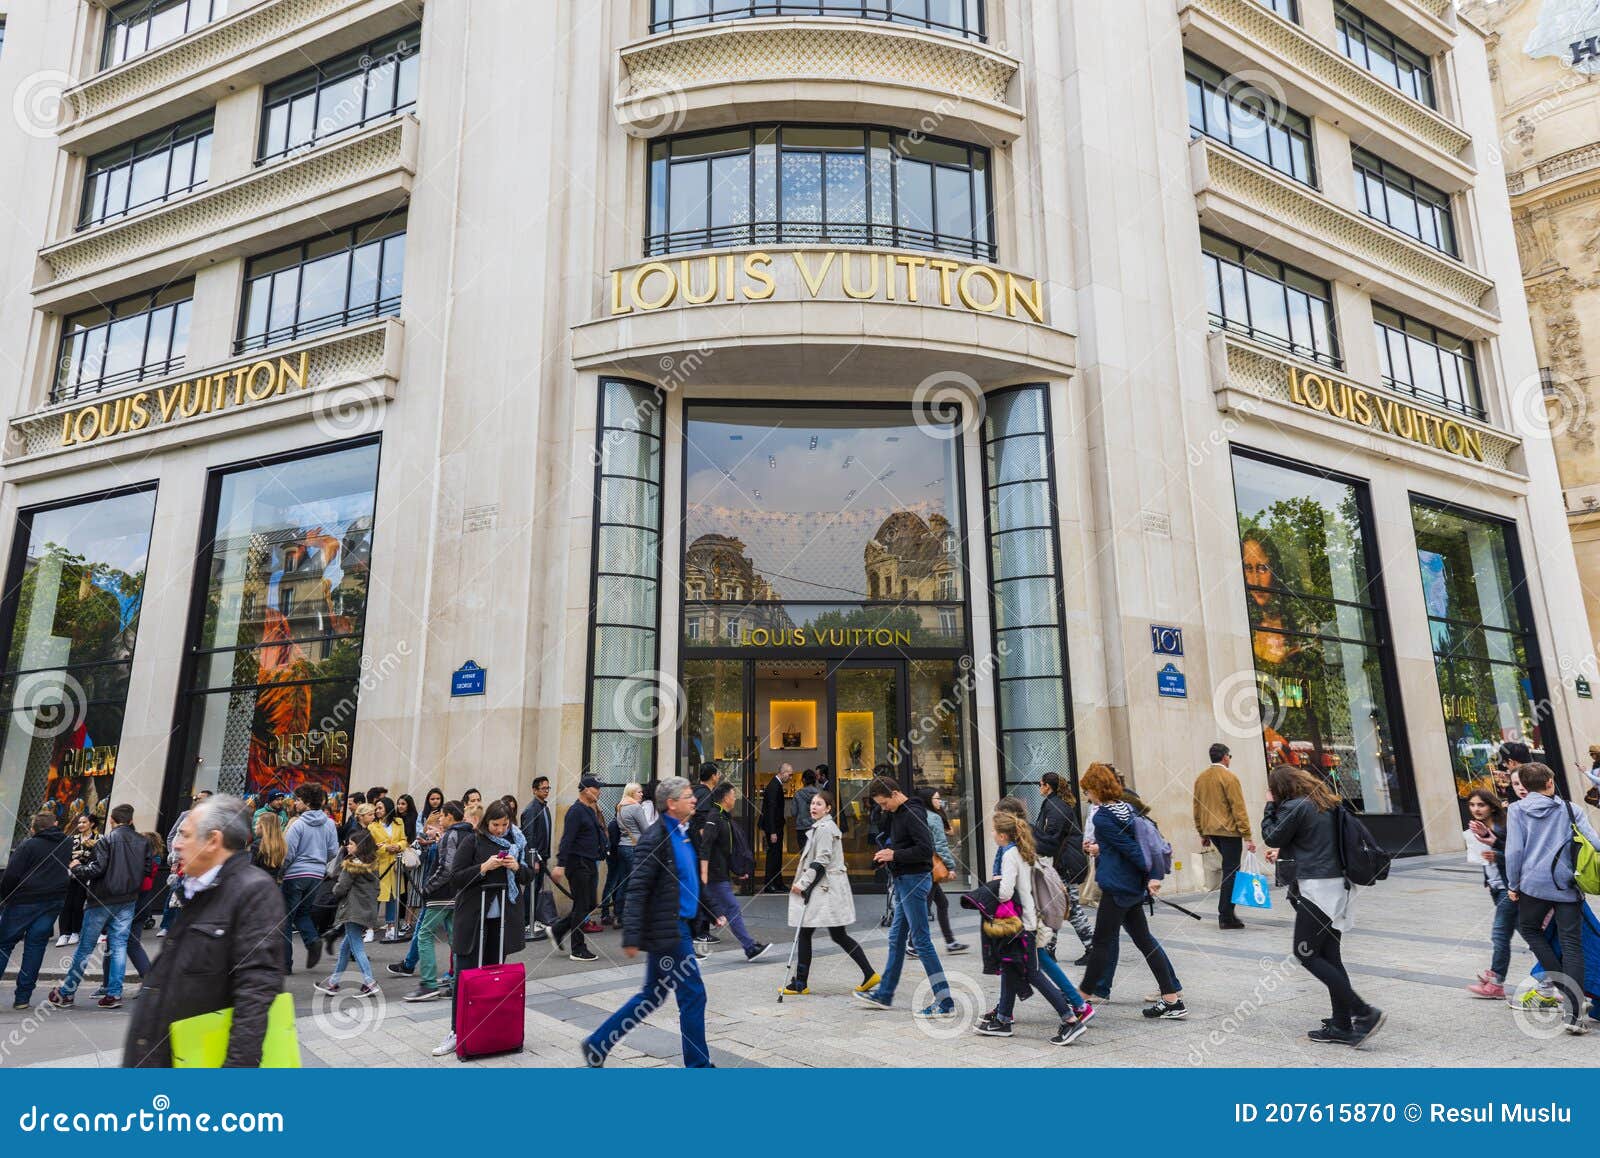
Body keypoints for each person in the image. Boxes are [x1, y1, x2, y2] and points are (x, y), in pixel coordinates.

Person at [123, 796, 286, 1067]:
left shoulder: (253, 891)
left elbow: (256, 992)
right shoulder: (197, 889)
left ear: (213, 840)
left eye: (185, 835)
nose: (175, 843)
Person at [582, 777, 713, 1068]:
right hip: (668, 928)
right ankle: (699, 1066)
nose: (694, 799)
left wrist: (711, 908)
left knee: (652, 995)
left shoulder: (685, 832)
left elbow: (691, 879)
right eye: (688, 795)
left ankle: (598, 1043)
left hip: (679, 925)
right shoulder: (655, 838)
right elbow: (638, 887)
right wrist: (631, 934)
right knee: (693, 994)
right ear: (671, 803)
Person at [1261, 763, 1385, 1046]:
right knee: (1330, 956)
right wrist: (1283, 853)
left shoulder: (1295, 806)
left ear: (1281, 788)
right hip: (1338, 885)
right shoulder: (1324, 803)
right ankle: (1342, 1024)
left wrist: (1269, 806)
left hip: (1316, 888)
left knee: (1305, 953)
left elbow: (1272, 834)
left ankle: (1363, 1012)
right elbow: (1310, 841)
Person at [1076, 763, 1185, 1020]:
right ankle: (1171, 999)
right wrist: (1146, 876)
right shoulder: (1127, 808)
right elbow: (1126, 846)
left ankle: (1080, 1001)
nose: (1087, 796)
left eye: (1088, 791)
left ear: (1096, 789)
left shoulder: (1102, 816)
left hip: (1118, 886)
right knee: (1144, 940)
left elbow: (1132, 850)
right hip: (1131, 886)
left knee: (1102, 943)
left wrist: (1151, 876)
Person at [972, 811, 1087, 1045]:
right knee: (1010, 966)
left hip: (1022, 924)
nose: (992, 834)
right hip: (1029, 920)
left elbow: (1005, 892)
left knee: (1032, 973)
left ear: (1003, 835)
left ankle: (1070, 1021)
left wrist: (989, 889)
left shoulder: (1010, 855)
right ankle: (1003, 1019)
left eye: (994, 831)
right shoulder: (1025, 851)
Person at [432, 800, 533, 1058]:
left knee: (493, 978)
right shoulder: (472, 842)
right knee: (466, 977)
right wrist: (484, 868)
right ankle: (457, 1031)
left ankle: (489, 1030)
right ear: (486, 822)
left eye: (504, 824)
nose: (500, 830)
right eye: (495, 825)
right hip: (473, 919)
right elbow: (456, 878)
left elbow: (528, 876)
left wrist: (516, 867)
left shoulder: (515, 842)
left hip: (501, 923)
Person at [1505, 761, 1600, 1033]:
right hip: (1567, 887)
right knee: (1572, 945)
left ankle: (1566, 994)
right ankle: (1576, 1013)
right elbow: (1595, 843)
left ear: (1525, 784)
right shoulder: (1572, 809)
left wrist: (1513, 884)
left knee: (1530, 930)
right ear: (1550, 782)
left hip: (1533, 887)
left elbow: (1514, 853)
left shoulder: (1516, 810)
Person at [854, 776, 954, 1019]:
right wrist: (886, 856)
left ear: (895, 794)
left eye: (883, 802)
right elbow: (897, 843)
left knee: (921, 941)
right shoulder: (897, 813)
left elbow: (924, 850)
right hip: (904, 881)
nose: (882, 807)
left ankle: (945, 1002)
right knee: (896, 939)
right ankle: (884, 995)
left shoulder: (912, 813)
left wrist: (894, 854)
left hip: (914, 881)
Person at [49, 804, 150, 1010]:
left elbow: (97, 868)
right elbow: (147, 869)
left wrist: (77, 868)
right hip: (128, 898)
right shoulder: (143, 841)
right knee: (119, 945)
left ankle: (67, 992)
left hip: (102, 898)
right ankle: (114, 993)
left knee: (85, 947)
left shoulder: (107, 840)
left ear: (112, 820)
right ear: (130, 821)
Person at [782, 790, 879, 996]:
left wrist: (802, 883)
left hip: (827, 888)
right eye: (812, 804)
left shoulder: (825, 829)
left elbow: (822, 859)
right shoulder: (821, 827)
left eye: (819, 804)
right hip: (826, 887)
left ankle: (801, 982)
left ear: (828, 809)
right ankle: (802, 982)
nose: (813, 807)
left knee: (815, 932)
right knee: (830, 934)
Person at [0, 811, 72, 1010]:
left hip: (24, 900)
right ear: (55, 824)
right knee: (35, 947)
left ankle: (22, 996)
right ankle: (23, 997)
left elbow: (11, 875)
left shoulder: (28, 845)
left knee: (4, 944)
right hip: (52, 900)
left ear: (34, 829)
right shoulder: (66, 843)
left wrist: (5, 897)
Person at [406, 801, 470, 1002]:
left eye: (442, 815)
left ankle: (428, 984)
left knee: (424, 934)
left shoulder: (451, 835)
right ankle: (456, 983)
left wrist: (427, 888)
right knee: (454, 938)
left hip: (441, 895)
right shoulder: (469, 834)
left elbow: (447, 868)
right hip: (458, 894)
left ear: (451, 816)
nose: (440, 819)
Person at [699, 782, 771, 961]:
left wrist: (736, 870)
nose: (735, 798)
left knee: (714, 909)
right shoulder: (714, 817)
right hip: (714, 875)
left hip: (720, 872)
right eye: (733, 794)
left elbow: (726, 849)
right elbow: (706, 846)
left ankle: (749, 947)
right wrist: (704, 873)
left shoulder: (724, 817)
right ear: (725, 798)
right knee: (731, 908)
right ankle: (749, 947)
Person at [1193, 742, 1257, 930]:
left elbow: (1196, 806)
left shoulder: (1201, 779)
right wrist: (1248, 836)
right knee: (1231, 870)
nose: (1230, 759)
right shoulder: (1229, 777)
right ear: (1225, 757)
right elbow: (1238, 808)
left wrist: (1202, 832)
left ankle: (1227, 913)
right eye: (1230, 756)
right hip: (1229, 831)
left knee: (1229, 868)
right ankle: (1226, 915)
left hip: (1211, 831)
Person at [1464, 788, 1519, 1000]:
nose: (1476, 809)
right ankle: (1549, 978)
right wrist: (1488, 879)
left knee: (1499, 935)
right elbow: (1484, 859)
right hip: (1496, 888)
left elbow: (1516, 854)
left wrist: (1498, 856)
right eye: (1472, 805)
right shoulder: (1479, 829)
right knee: (1530, 935)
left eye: (1481, 805)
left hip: (1509, 889)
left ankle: (1496, 982)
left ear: (1491, 806)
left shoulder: (1502, 827)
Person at [280, 783, 340, 973]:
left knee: (285, 919)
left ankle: (284, 964)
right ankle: (312, 940)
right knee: (303, 913)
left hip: (295, 874)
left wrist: (281, 872)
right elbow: (333, 851)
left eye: (298, 799)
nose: (295, 803)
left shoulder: (298, 824)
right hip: (316, 875)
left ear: (306, 803)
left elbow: (288, 853)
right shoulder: (329, 823)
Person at [315, 831, 382, 998]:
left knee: (357, 947)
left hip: (352, 910)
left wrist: (333, 890)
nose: (347, 846)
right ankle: (333, 983)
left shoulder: (351, 865)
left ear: (359, 846)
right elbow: (377, 889)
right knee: (345, 948)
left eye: (351, 844)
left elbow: (341, 887)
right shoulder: (372, 864)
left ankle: (370, 982)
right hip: (366, 910)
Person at [550, 775, 609, 963]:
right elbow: (567, 839)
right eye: (596, 788)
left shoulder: (589, 810)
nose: (599, 791)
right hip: (578, 864)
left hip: (589, 862)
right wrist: (560, 864)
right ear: (585, 789)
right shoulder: (575, 811)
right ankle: (578, 948)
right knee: (582, 906)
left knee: (590, 904)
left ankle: (558, 929)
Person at [920, 788, 968, 955]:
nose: (939, 802)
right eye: (936, 799)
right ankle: (913, 943)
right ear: (928, 800)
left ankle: (950, 942)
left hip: (925, 864)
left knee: (942, 903)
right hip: (932, 866)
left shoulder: (922, 815)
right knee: (924, 906)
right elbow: (940, 846)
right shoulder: (933, 818)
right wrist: (950, 866)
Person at [366, 797, 407, 943]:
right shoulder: (372, 826)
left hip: (395, 866)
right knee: (375, 898)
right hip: (379, 866)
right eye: (376, 808)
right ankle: (369, 928)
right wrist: (385, 848)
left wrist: (398, 846)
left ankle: (391, 927)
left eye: (380, 808)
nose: (377, 811)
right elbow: (371, 846)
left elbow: (404, 839)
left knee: (392, 897)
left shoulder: (398, 822)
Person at [519, 775, 556, 938]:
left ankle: (532, 919)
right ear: (534, 790)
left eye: (548, 788)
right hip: (535, 858)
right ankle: (526, 921)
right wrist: (533, 859)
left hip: (543, 855)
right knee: (531, 889)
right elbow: (529, 836)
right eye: (543, 788)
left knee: (536, 888)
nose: (546, 791)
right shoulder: (531, 809)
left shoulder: (544, 807)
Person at [55, 813, 97, 946]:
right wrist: (69, 865)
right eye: (79, 822)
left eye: (84, 822)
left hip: (86, 876)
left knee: (78, 904)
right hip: (70, 875)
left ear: (92, 824)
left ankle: (75, 932)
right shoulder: (72, 839)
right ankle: (63, 934)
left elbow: (98, 858)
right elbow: (64, 855)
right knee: (66, 904)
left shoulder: (99, 839)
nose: (80, 825)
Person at [610, 783, 647, 930]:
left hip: (623, 846)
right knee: (635, 883)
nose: (642, 794)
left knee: (623, 882)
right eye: (639, 792)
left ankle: (618, 915)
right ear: (632, 793)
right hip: (635, 847)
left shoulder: (621, 806)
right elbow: (646, 829)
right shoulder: (636, 808)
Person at [760, 766, 791, 893]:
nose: (790, 777)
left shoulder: (775, 784)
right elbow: (771, 810)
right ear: (782, 773)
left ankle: (777, 882)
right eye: (789, 774)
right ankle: (770, 883)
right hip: (773, 827)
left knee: (777, 855)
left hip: (776, 826)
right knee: (773, 856)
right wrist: (772, 831)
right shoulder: (774, 786)